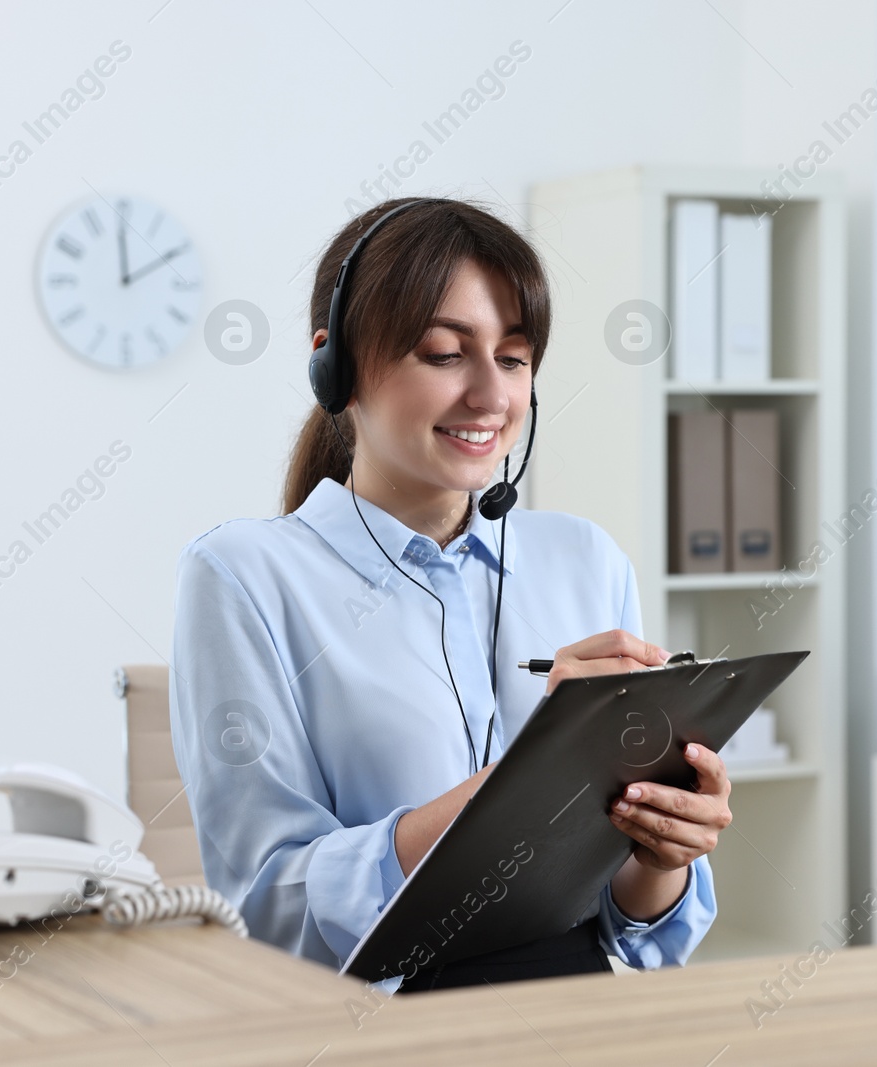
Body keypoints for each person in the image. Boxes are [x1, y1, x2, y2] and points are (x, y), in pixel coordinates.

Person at [170, 197, 731, 992]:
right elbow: (268, 910)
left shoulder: (584, 557)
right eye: (444, 353)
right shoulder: (244, 575)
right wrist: (534, 773)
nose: (491, 396)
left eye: (514, 357)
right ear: (334, 367)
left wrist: (661, 851)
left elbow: (636, 929)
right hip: (374, 1028)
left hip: (577, 1013)